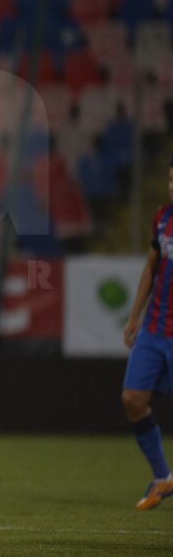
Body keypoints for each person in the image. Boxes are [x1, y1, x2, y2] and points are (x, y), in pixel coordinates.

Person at [121, 158, 173, 510]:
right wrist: (134, 315)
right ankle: (162, 476)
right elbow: (152, 267)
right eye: (171, 178)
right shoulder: (163, 218)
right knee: (132, 399)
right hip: (155, 330)